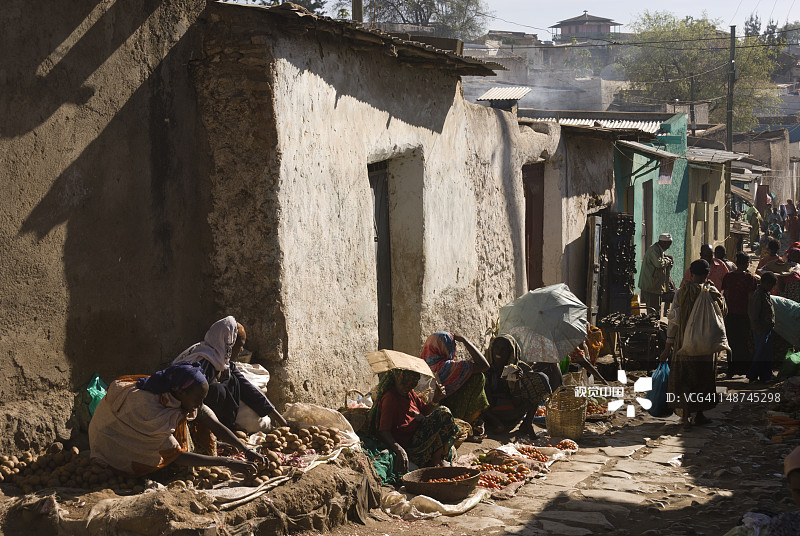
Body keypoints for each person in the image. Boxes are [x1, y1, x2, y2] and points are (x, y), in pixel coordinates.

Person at [89, 362, 263, 476]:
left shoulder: (178, 394)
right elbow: (176, 456)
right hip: (114, 445)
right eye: (197, 400)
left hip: (145, 431)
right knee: (170, 470)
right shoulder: (148, 408)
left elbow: (213, 424)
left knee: (195, 420)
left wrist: (244, 449)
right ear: (181, 392)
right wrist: (227, 462)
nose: (199, 404)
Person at [173, 316, 287, 432]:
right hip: (187, 411)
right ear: (228, 344)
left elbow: (248, 390)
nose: (242, 349)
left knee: (234, 381)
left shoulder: (222, 362)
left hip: (204, 411)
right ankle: (211, 431)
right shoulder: (203, 362)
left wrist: (282, 422)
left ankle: (226, 427)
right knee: (218, 389)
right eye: (240, 345)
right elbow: (187, 399)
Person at [661, 260, 727, 429]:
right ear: (707, 275)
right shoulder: (712, 292)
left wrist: (667, 348)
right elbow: (723, 313)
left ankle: (685, 418)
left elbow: (673, 323)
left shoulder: (681, 293)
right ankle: (700, 415)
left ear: (691, 274)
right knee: (703, 380)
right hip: (706, 346)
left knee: (685, 380)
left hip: (684, 345)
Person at [365, 369, 458, 474]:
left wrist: (435, 399)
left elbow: (424, 411)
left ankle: (436, 459)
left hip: (419, 437)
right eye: (404, 384)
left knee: (445, 427)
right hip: (410, 446)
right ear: (396, 380)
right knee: (443, 412)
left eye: (411, 385)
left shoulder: (409, 393)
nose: (407, 388)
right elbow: (383, 431)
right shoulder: (390, 398)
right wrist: (399, 450)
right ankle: (436, 462)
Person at [419, 331, 490, 439]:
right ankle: (464, 423)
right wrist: (465, 340)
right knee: (478, 377)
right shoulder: (446, 367)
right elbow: (484, 365)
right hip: (437, 413)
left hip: (424, 413)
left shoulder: (419, 364)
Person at [483, 334, 552, 437]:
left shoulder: (517, 368)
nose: (499, 352)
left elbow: (517, 402)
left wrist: (516, 383)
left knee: (540, 378)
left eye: (504, 349)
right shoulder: (488, 369)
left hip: (514, 412)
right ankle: (496, 423)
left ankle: (527, 423)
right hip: (492, 413)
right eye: (497, 347)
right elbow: (489, 402)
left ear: (511, 352)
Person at [721, 253, 758, 377]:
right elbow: (750, 299)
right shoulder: (750, 279)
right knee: (743, 342)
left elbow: (725, 295)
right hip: (744, 315)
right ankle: (744, 370)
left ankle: (731, 370)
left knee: (731, 342)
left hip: (730, 314)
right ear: (747, 263)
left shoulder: (728, 277)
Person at [747, 271, 777, 383]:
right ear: (765, 283)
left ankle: (766, 375)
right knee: (760, 354)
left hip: (766, 328)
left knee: (766, 354)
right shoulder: (758, 295)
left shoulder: (764, 294)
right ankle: (752, 375)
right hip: (760, 329)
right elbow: (754, 314)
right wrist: (757, 327)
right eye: (771, 285)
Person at [639, 233, 674, 317]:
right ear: (664, 243)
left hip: (655, 287)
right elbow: (659, 263)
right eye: (669, 244)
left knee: (656, 310)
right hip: (651, 286)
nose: (669, 247)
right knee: (653, 312)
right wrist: (668, 260)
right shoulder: (654, 250)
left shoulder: (659, 250)